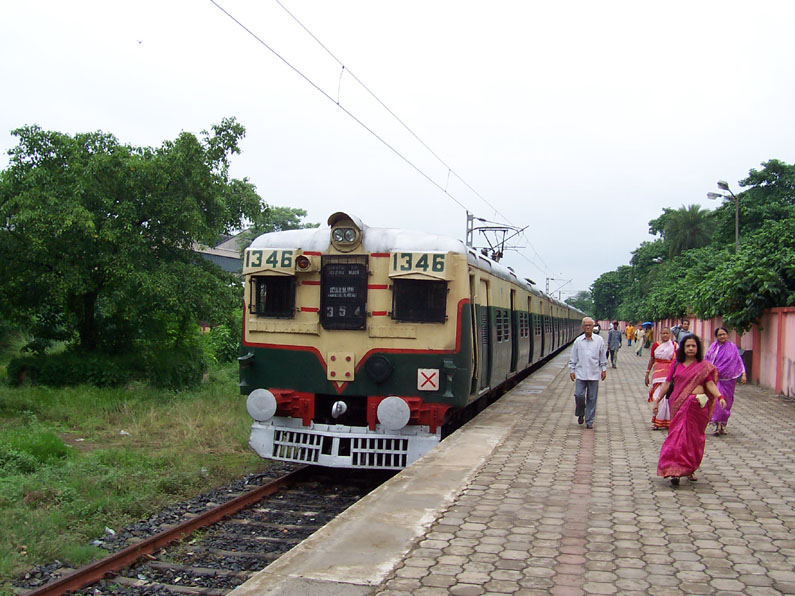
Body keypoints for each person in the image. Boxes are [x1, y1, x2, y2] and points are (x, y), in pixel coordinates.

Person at [653, 335, 727, 487]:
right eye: (688, 346)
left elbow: (710, 384)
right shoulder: (676, 364)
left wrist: (719, 396)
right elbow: (667, 383)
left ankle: (689, 468)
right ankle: (674, 470)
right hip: (679, 406)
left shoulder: (703, 366)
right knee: (677, 438)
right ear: (683, 348)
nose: (691, 349)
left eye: (694, 346)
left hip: (696, 408)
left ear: (698, 348)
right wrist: (657, 400)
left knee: (693, 439)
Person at [705, 327, 747, 436]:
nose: (722, 336)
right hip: (716, 379)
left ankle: (722, 425)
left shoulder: (732, 347)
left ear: (727, 335)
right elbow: (707, 361)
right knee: (718, 402)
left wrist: (743, 374)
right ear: (716, 337)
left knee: (727, 403)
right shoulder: (713, 348)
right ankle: (717, 426)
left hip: (729, 381)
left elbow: (738, 360)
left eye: (724, 334)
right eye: (720, 335)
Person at [569, 317, 607, 429]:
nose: (588, 327)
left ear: (593, 326)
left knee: (592, 398)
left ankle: (589, 421)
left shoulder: (599, 340)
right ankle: (580, 412)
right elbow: (573, 357)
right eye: (586, 325)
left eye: (590, 325)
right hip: (581, 373)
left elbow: (602, 356)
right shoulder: (578, 341)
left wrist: (603, 369)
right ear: (582, 327)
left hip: (594, 373)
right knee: (579, 395)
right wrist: (572, 370)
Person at [645, 327, 677, 430]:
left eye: (667, 333)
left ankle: (667, 421)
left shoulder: (674, 346)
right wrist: (647, 374)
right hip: (657, 374)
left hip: (670, 374)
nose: (665, 335)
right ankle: (657, 419)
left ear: (670, 334)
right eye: (663, 333)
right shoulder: (656, 345)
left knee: (667, 398)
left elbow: (678, 361)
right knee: (658, 397)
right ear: (660, 334)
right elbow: (651, 359)